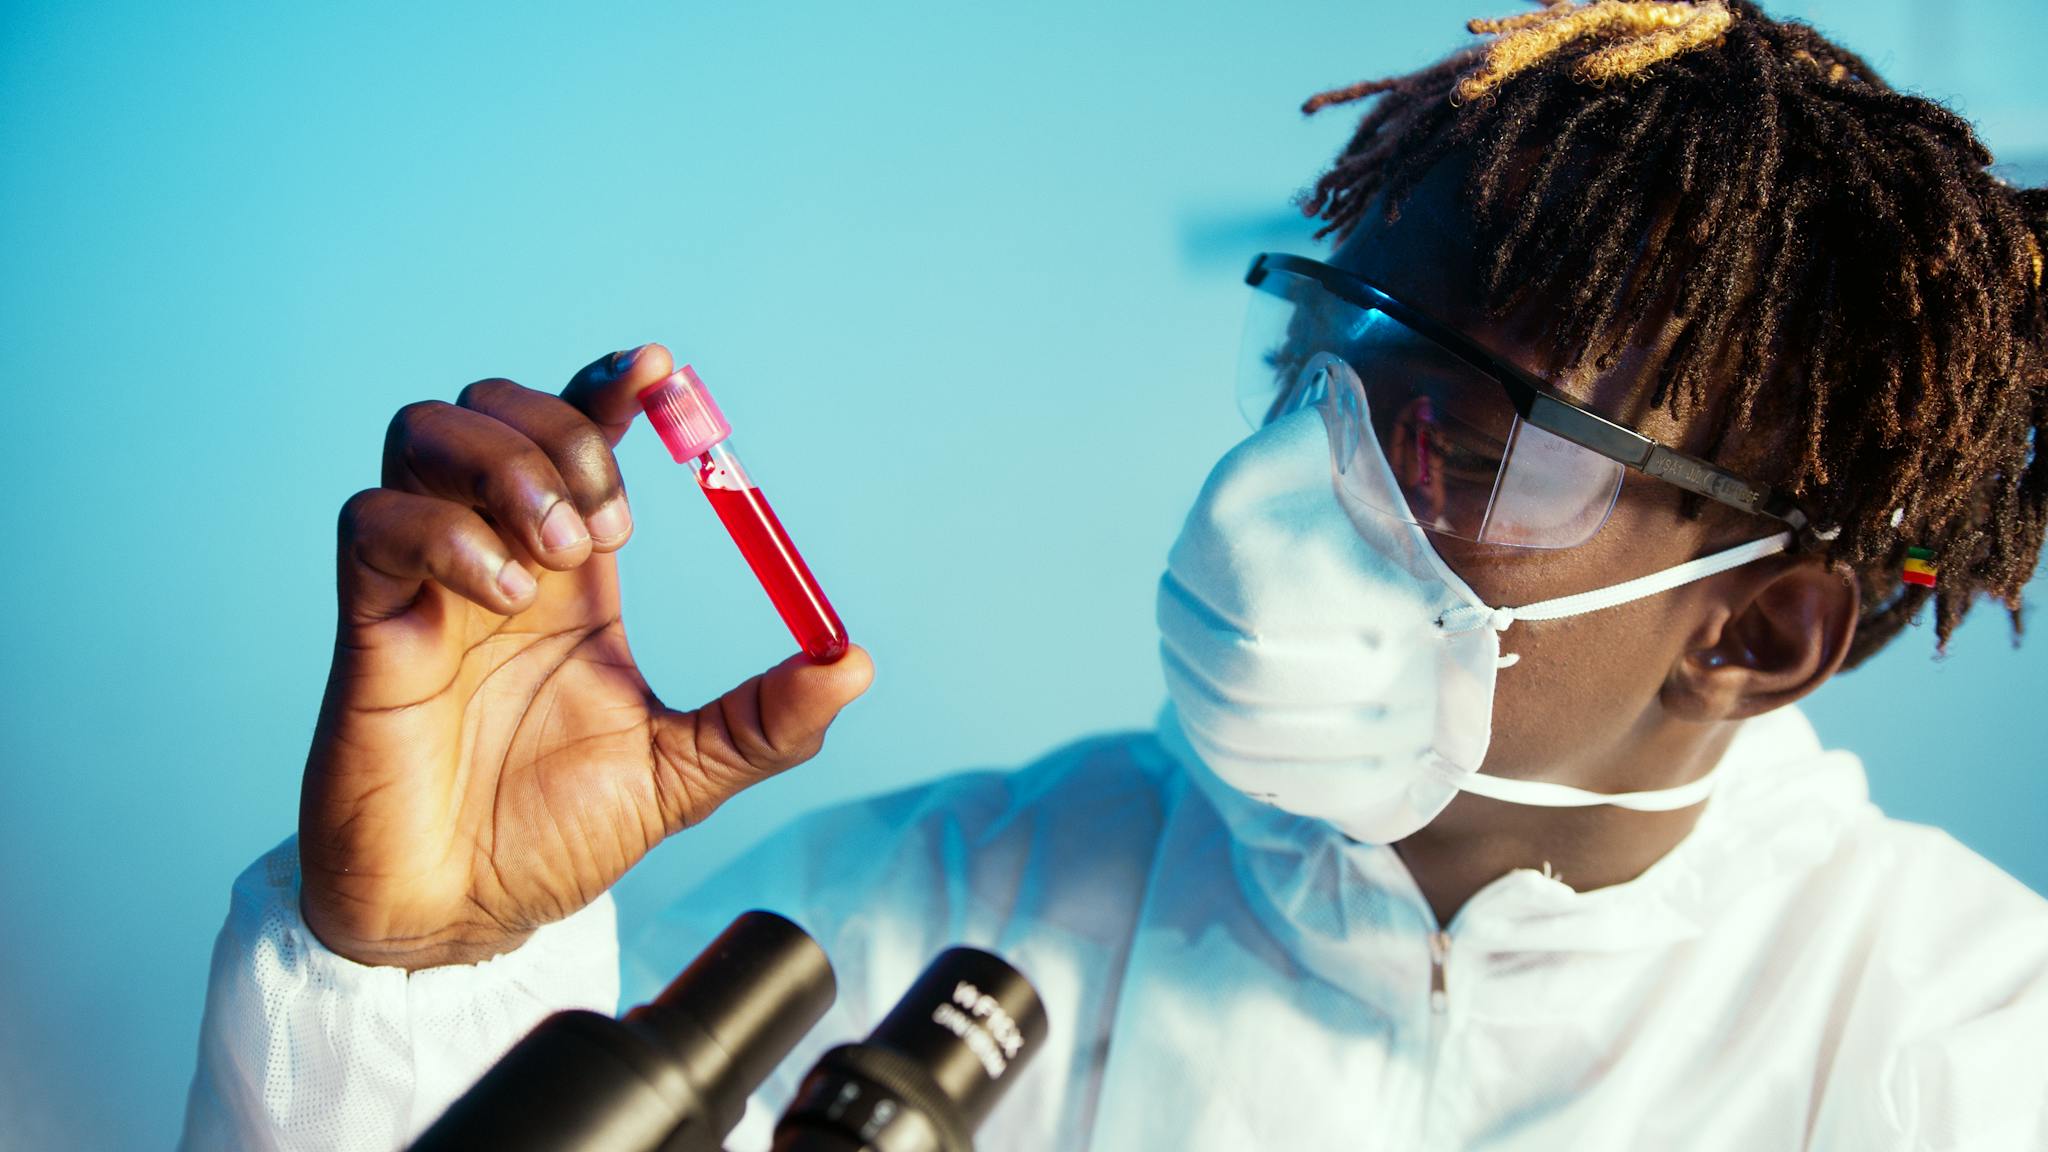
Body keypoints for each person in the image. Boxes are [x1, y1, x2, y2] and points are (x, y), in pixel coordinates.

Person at [183, 2, 2048, 1148]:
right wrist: (420, 974)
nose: (1278, 492)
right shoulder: (909, 925)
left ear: (1759, 633)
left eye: (1467, 443)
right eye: (1315, 371)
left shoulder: (1964, 1051)